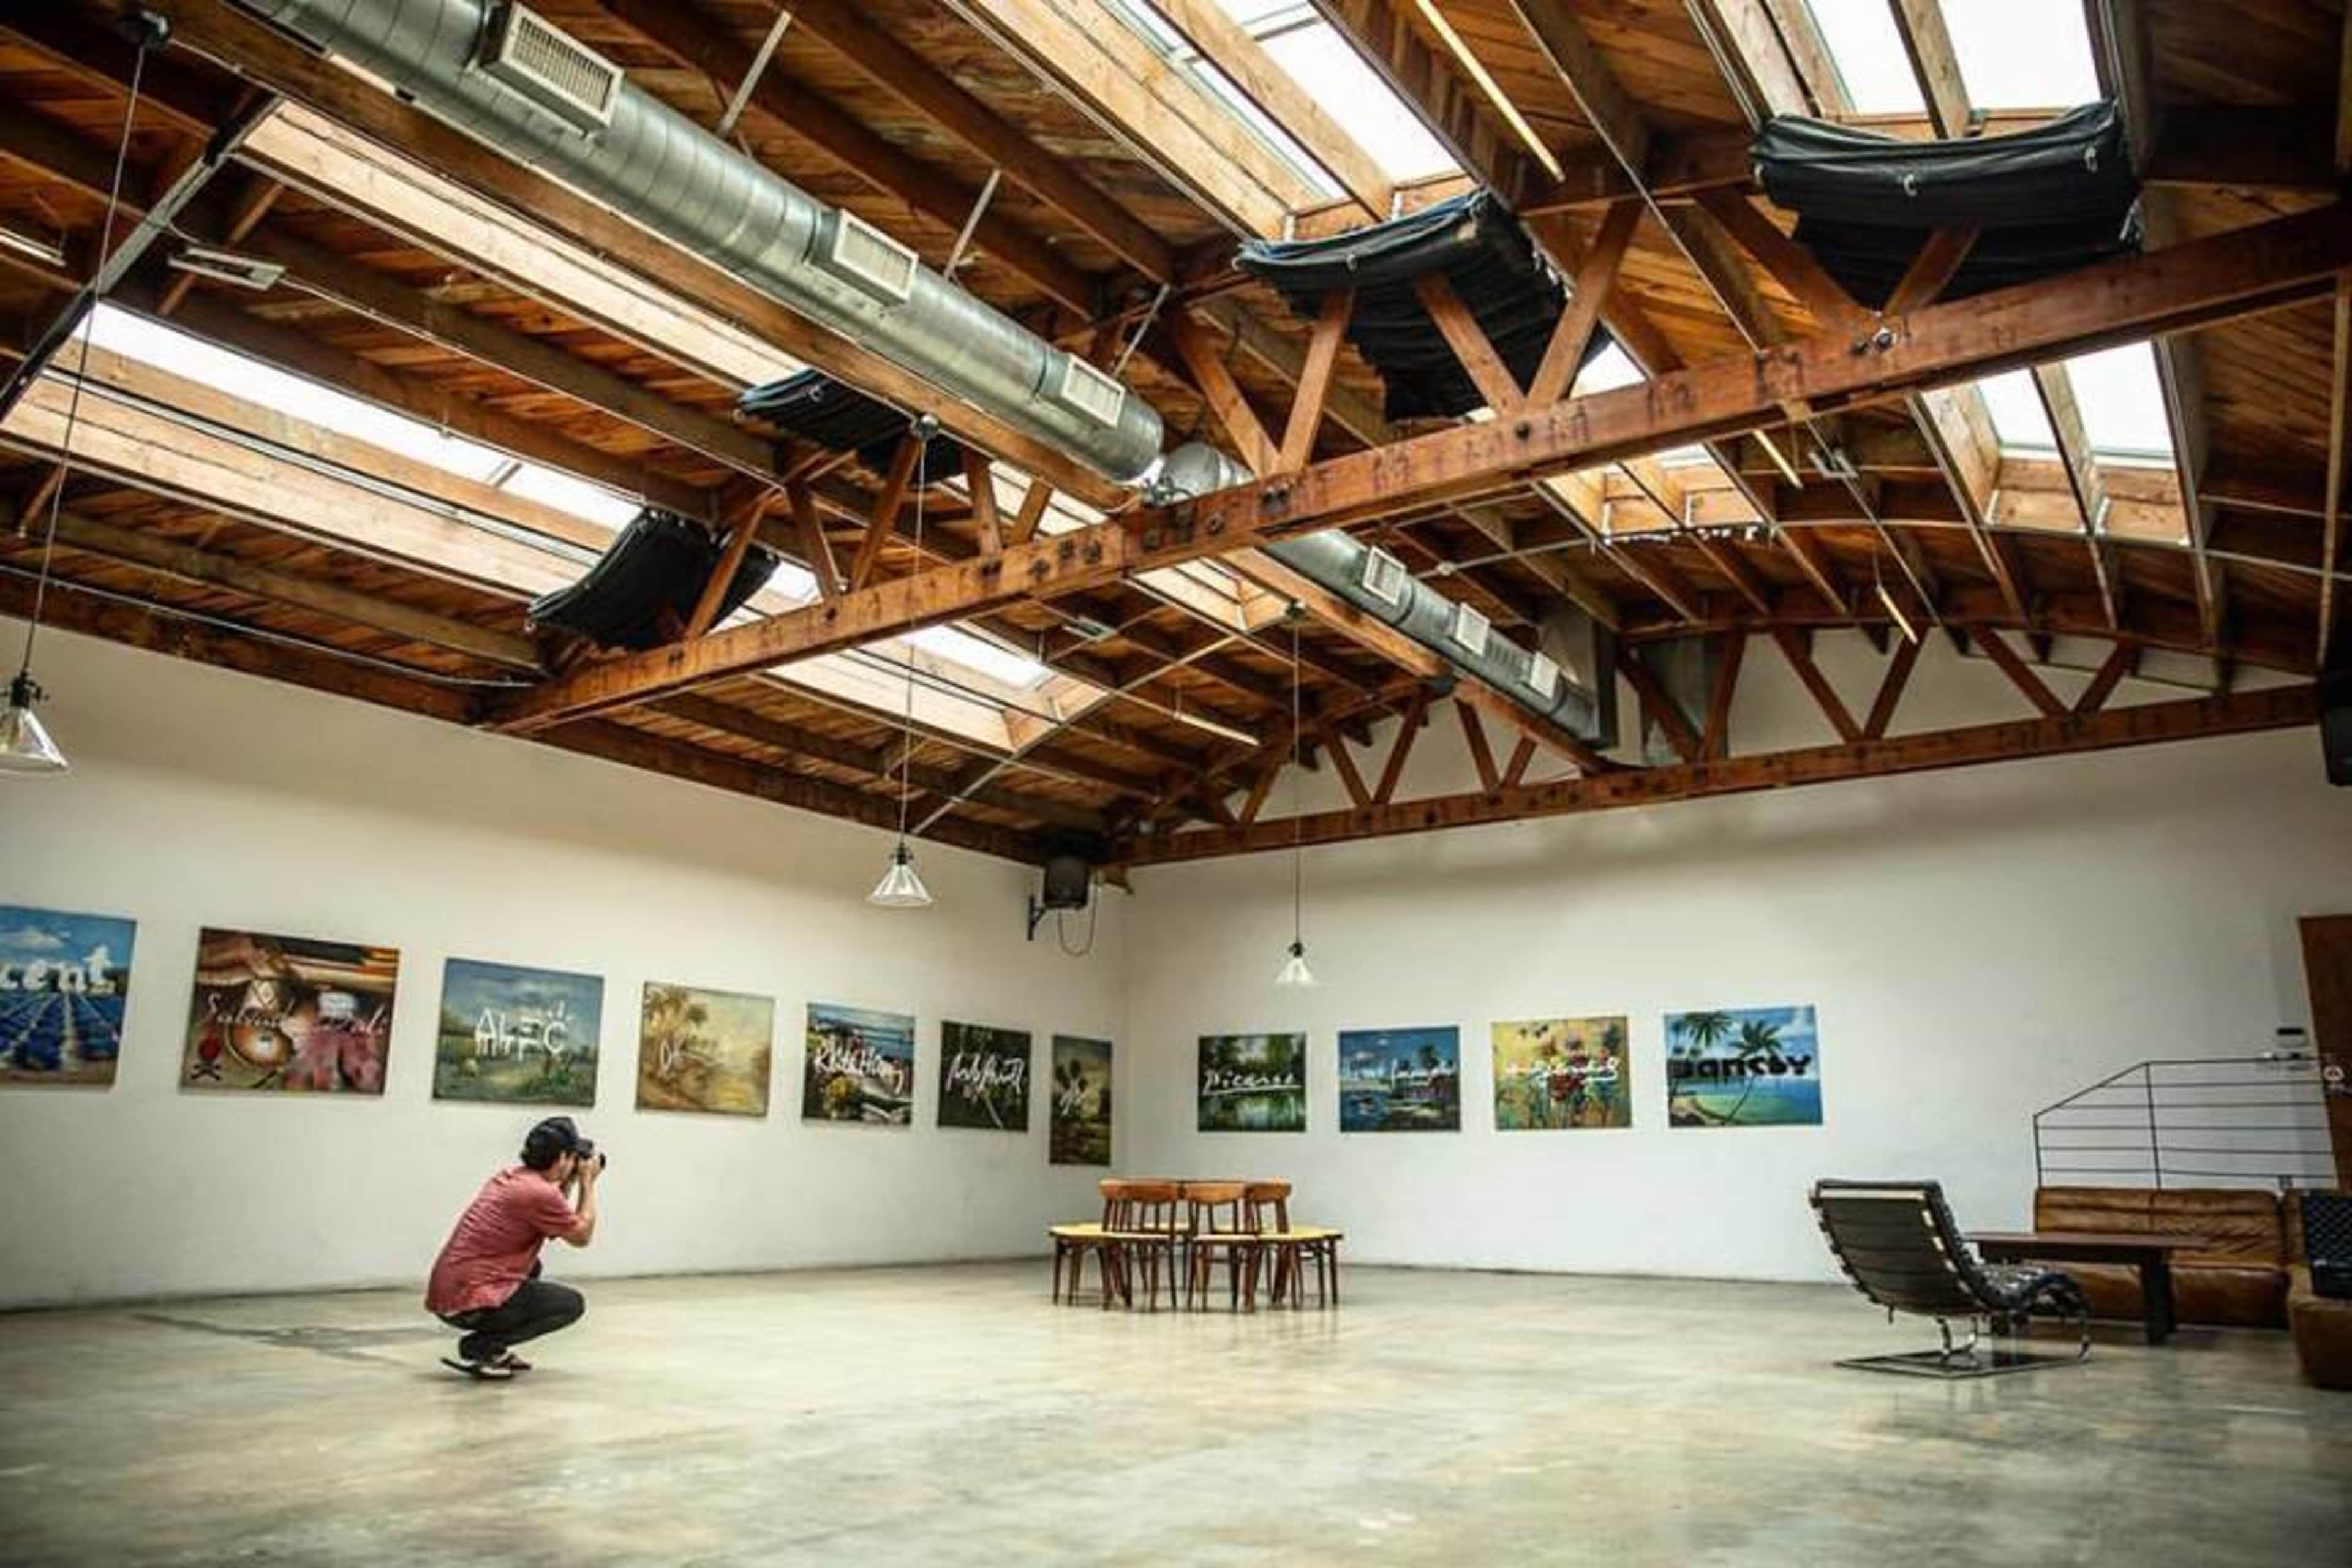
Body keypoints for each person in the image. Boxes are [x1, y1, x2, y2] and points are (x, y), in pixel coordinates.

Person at [425, 1115, 603, 1379]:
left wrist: (569, 1181)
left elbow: (552, 1214)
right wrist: (588, 1183)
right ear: (563, 1158)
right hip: (468, 1304)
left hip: (450, 1296)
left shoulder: (511, 1179)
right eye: (573, 1157)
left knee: (533, 1265)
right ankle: (483, 1346)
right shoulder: (538, 1194)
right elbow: (581, 1236)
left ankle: (492, 1346)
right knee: (570, 1304)